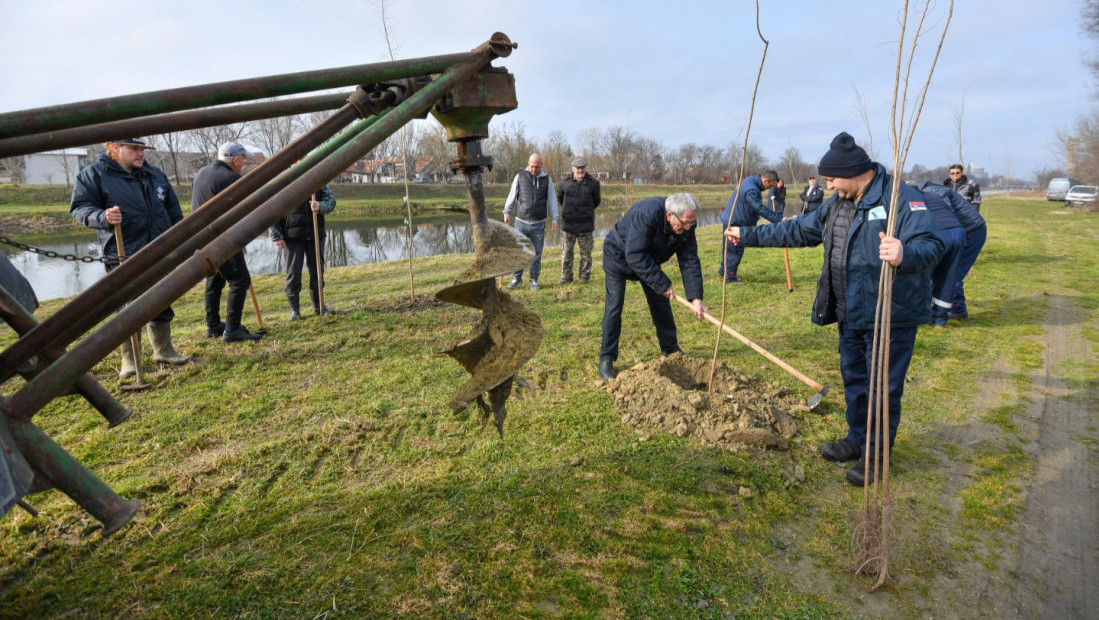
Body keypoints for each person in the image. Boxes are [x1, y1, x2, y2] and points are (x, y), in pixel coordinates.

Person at [724, 132, 943, 486]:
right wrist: (746, 234)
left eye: (832, 180)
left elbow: (932, 244)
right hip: (849, 311)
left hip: (889, 314)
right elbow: (796, 231)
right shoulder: (836, 204)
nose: (828, 186)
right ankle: (856, 440)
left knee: (882, 387)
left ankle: (876, 457)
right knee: (855, 380)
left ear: (855, 172)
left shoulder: (900, 198)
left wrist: (905, 254)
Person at [71, 138, 192, 377]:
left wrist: (178, 239)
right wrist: (102, 216)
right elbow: (79, 208)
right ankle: (130, 360)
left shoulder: (154, 174)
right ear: (115, 147)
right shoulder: (94, 174)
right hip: (123, 253)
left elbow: (173, 210)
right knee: (127, 307)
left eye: (142, 149)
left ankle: (164, 351)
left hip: (159, 250)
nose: (141, 154)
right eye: (135, 149)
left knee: (161, 299)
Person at [599, 193, 707, 380]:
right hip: (619, 256)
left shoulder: (687, 225)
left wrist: (696, 298)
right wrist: (662, 283)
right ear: (669, 216)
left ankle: (670, 349)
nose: (688, 227)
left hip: (649, 259)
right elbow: (634, 255)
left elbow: (689, 260)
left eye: (691, 222)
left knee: (661, 303)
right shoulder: (646, 213)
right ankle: (606, 358)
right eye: (684, 223)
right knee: (615, 305)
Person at [192, 142, 263, 342]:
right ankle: (232, 330)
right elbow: (245, 208)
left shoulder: (202, 173)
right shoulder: (231, 178)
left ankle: (213, 325)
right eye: (243, 160)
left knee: (215, 279)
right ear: (235, 159)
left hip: (201, 238)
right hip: (223, 238)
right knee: (240, 280)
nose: (244, 164)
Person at [916, 181, 986, 321]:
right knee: (939, 272)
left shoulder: (935, 193)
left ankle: (957, 309)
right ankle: (942, 307)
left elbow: (946, 216)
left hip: (971, 230)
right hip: (954, 231)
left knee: (952, 271)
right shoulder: (920, 192)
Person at [270, 184, 336, 319]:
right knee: (293, 274)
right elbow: (273, 209)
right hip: (291, 236)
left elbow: (331, 201)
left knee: (317, 272)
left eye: (300, 160)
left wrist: (320, 206)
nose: (299, 161)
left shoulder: (317, 179)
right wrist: (276, 235)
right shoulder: (284, 182)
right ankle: (295, 311)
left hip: (315, 234)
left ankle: (319, 306)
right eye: (296, 160)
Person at [503, 153, 559, 291]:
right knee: (519, 251)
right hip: (521, 222)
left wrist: (555, 218)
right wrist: (507, 212)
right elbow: (512, 196)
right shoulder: (520, 176)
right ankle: (517, 278)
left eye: (537, 167)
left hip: (539, 224)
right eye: (532, 166)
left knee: (536, 253)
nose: (534, 169)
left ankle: (534, 280)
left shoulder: (547, 180)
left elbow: (552, 201)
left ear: (542, 165)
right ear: (528, 163)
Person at [717, 170, 784, 284]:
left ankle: (724, 270)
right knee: (735, 249)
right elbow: (759, 207)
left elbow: (749, 205)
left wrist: (753, 215)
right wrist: (779, 218)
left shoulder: (749, 180)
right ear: (766, 180)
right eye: (771, 185)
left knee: (727, 248)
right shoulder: (752, 189)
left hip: (730, 218)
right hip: (737, 222)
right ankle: (730, 277)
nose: (770, 188)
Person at [556, 157, 602, 284]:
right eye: (577, 168)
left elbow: (596, 201)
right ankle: (566, 277)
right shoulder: (563, 183)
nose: (580, 170)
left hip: (586, 226)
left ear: (585, 168)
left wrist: (586, 211)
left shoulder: (593, 183)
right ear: (572, 169)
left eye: (582, 168)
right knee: (566, 254)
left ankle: (584, 277)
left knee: (586, 255)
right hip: (568, 225)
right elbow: (560, 199)